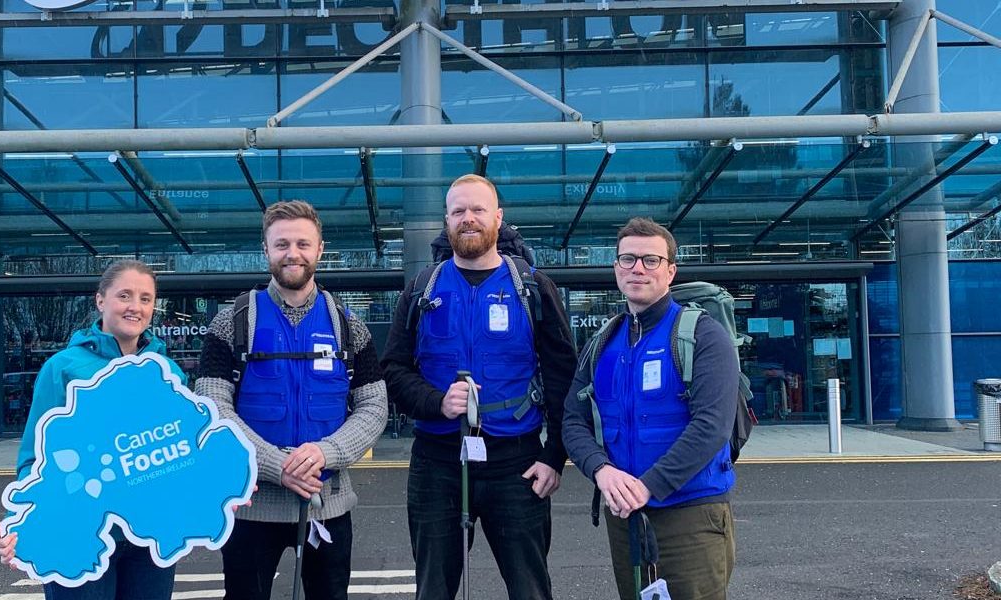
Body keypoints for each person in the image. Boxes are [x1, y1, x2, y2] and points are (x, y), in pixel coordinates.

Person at [381, 174, 577, 600]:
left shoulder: (532, 287)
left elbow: (564, 375)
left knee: (530, 588)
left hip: (517, 460)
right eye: (458, 211)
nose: (468, 219)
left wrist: (554, 457)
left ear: (498, 218)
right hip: (437, 462)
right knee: (433, 589)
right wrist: (436, 403)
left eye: (478, 210)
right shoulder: (421, 288)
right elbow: (393, 370)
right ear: (446, 220)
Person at [193, 200, 388, 600]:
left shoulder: (349, 325)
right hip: (251, 506)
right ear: (266, 249)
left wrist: (326, 451)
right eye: (281, 244)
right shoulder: (232, 321)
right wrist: (277, 465)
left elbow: (374, 406)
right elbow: (212, 408)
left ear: (320, 250)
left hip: (326, 506)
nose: (292, 253)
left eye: (302, 243)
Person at [562, 217, 739, 599]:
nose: (637, 268)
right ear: (615, 268)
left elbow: (712, 426)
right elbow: (572, 421)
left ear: (671, 270)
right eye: (627, 259)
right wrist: (601, 471)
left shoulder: (704, 336)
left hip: (690, 515)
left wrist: (648, 487)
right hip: (625, 517)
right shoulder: (602, 343)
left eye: (650, 260)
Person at [0, 259, 186, 600]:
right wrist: (18, 518)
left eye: (145, 298)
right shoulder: (63, 368)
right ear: (100, 301)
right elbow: (36, 456)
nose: (135, 307)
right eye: (124, 295)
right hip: (79, 527)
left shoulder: (168, 371)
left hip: (148, 532)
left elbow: (181, 450)